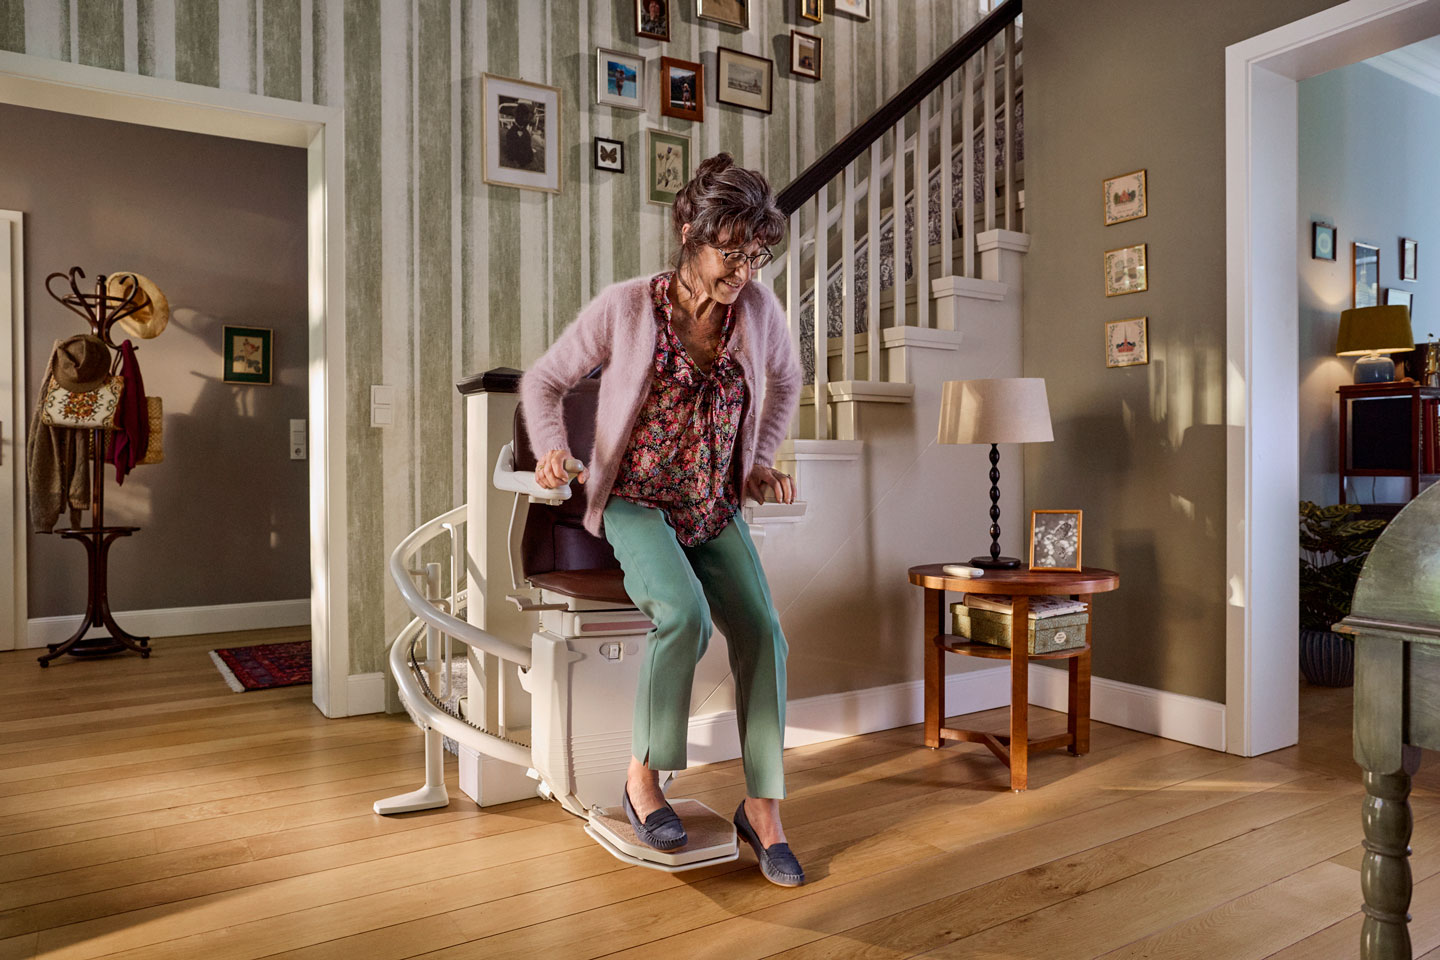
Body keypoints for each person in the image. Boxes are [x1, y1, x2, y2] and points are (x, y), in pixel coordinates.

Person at [519, 154, 804, 886]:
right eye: (728, 251)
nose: (742, 269)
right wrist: (553, 449)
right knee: (683, 616)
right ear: (687, 231)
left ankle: (763, 808)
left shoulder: (759, 314)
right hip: (636, 501)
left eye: (755, 254)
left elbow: (788, 382)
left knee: (764, 634)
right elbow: (544, 381)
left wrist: (761, 461)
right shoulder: (627, 306)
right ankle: (643, 779)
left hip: (713, 505)